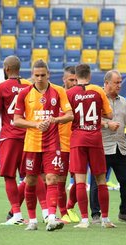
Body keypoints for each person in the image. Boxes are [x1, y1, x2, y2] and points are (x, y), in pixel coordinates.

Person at [14, 60, 74, 231]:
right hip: (32, 144)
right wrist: (34, 124)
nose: (39, 78)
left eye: (43, 75)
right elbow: (16, 120)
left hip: (52, 143)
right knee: (31, 180)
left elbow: (70, 115)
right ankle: (32, 220)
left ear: (48, 74)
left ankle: (51, 218)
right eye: (36, 75)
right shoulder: (24, 93)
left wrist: (55, 119)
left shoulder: (59, 91)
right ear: (33, 75)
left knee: (52, 179)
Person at [89, 70, 126, 226]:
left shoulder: (123, 101)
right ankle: (96, 214)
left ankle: (124, 212)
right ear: (106, 83)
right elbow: (90, 120)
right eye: (116, 82)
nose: (119, 85)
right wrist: (106, 124)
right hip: (102, 147)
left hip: (120, 147)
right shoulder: (96, 99)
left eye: (120, 82)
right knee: (98, 182)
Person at [66, 64, 116, 228]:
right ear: (89, 75)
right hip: (95, 138)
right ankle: (106, 219)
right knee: (101, 180)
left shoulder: (70, 93)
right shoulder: (98, 90)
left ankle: (85, 220)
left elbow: (66, 116)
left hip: (78, 139)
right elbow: (109, 115)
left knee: (80, 181)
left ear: (76, 75)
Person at [0, 56, 32, 225]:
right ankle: (37, 212)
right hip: (28, 136)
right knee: (29, 176)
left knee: (9, 176)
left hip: (9, 136)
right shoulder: (29, 86)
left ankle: (16, 213)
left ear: (6, 69)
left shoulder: (2, 86)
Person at [57, 66, 80, 223]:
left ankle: (70, 206)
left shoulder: (81, 98)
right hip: (61, 145)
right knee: (60, 180)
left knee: (79, 180)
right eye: (71, 79)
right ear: (64, 80)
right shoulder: (58, 97)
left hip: (78, 144)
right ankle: (63, 212)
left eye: (76, 80)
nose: (74, 82)